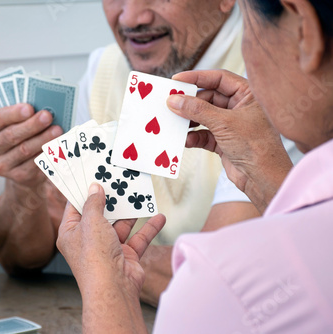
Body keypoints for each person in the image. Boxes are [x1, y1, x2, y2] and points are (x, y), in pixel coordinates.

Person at [0, 0, 300, 306]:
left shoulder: (273, 75)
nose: (131, 18)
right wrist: (25, 183)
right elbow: (19, 257)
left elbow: (214, 284)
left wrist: (94, 252)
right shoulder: (104, 67)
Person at [57, 0, 333, 332]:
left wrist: (105, 279)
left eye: (249, 25)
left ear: (305, 30)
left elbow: (218, 289)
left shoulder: (222, 279)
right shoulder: (103, 69)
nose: (131, 17)